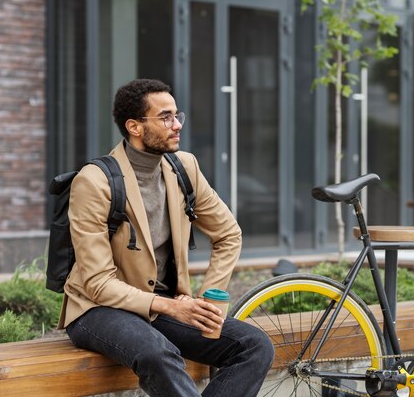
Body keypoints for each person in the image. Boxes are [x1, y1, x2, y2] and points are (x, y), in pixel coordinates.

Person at [58, 78, 274, 397]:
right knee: (158, 354)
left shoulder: (183, 166)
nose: (177, 125)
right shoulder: (94, 182)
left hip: (163, 306)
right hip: (97, 309)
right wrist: (172, 308)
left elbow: (228, 233)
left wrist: (207, 299)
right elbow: (98, 283)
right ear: (134, 126)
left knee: (254, 346)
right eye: (165, 117)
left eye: (177, 115)